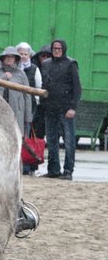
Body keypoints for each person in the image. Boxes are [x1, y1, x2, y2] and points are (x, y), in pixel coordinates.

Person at [40, 39, 81, 179]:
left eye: (59, 48)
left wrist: (72, 107)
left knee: (69, 141)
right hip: (50, 108)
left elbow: (77, 88)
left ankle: (68, 171)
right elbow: (43, 85)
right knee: (51, 141)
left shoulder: (70, 64)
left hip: (65, 109)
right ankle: (53, 170)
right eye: (54, 48)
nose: (56, 50)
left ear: (64, 49)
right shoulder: (46, 64)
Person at [0, 46, 32, 137]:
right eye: (7, 56)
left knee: (15, 136)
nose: (9, 59)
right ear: (3, 58)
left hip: (17, 111)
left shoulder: (21, 74)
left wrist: (28, 117)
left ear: (15, 59)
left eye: (12, 57)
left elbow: (27, 95)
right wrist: (3, 78)